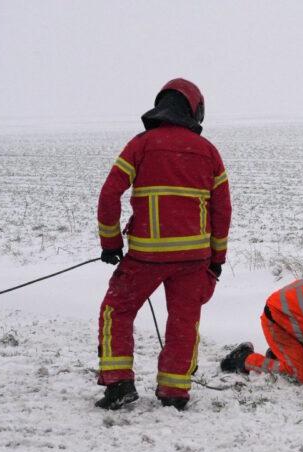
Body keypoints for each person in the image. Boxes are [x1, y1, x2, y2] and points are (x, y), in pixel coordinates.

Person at [95, 78, 231, 410]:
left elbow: (110, 194)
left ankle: (119, 383)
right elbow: (222, 211)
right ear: (195, 110)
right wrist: (217, 259)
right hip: (193, 259)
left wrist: (111, 242)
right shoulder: (209, 152)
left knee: (117, 310)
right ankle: (174, 392)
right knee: (184, 322)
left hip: (146, 256)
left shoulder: (141, 145)